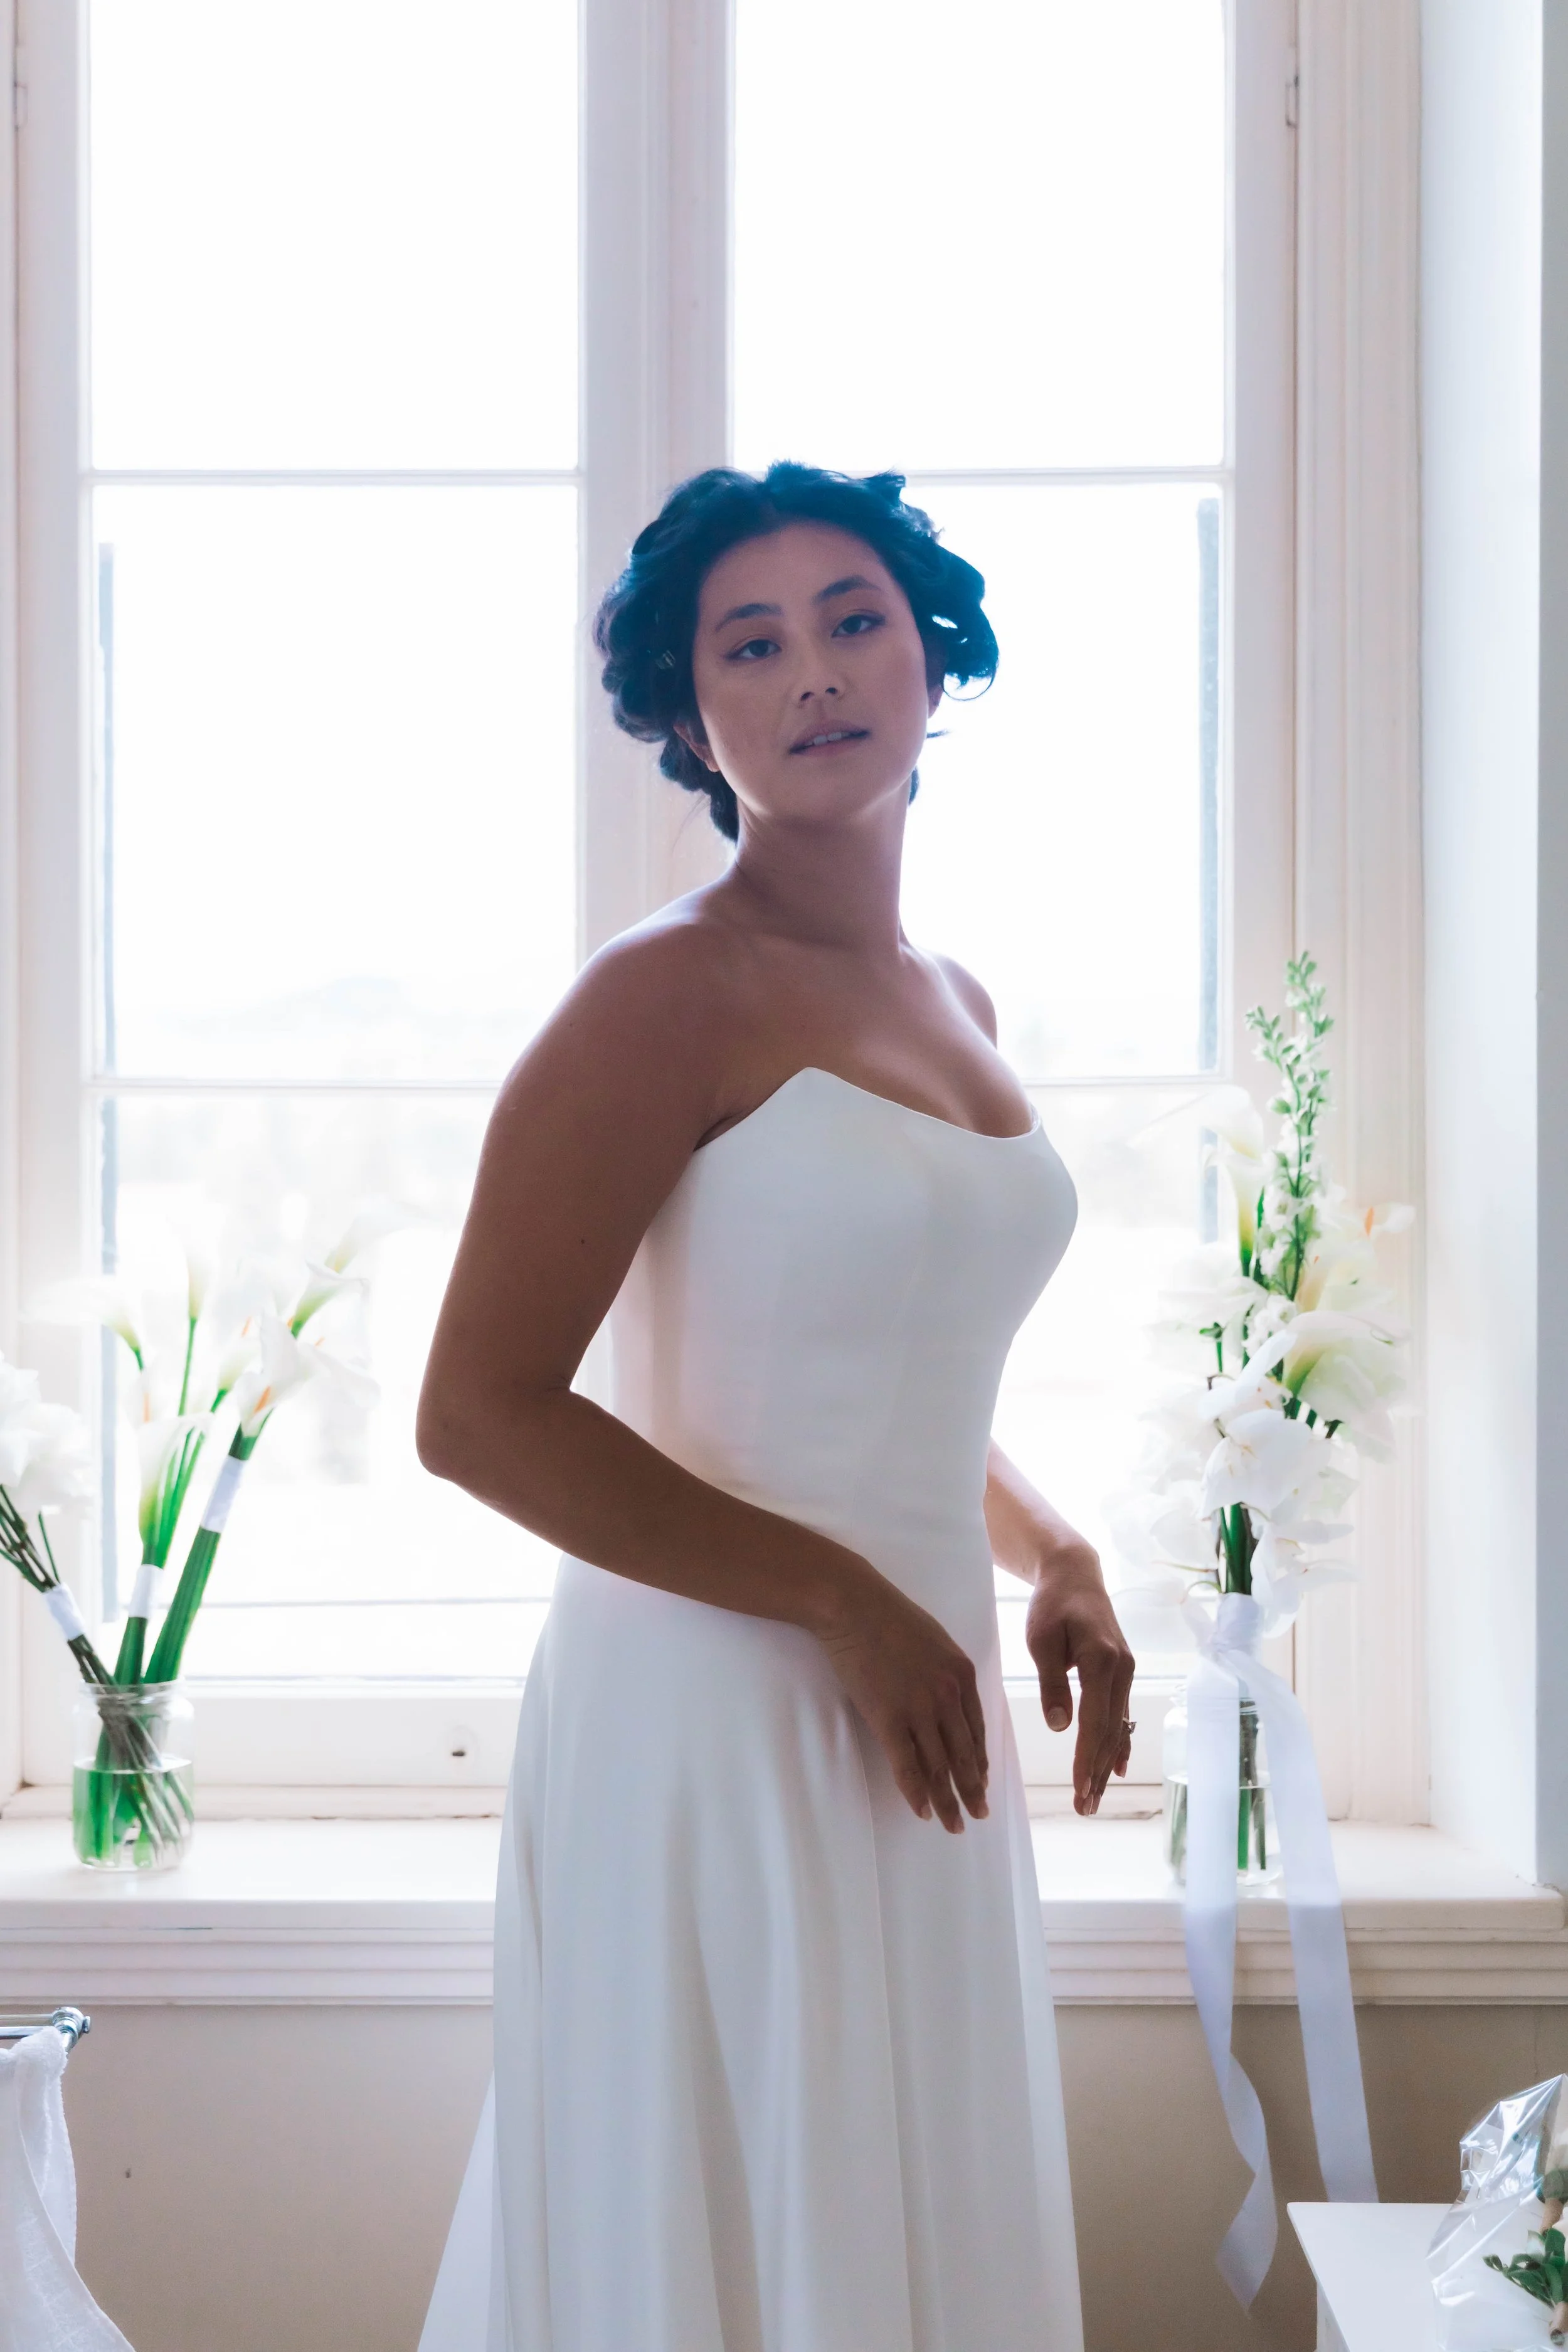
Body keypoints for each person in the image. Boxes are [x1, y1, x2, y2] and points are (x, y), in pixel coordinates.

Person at [415, 462, 1135, 2352]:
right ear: (685, 713)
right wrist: (839, 1599)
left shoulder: (954, 995)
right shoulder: (656, 999)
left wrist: (1054, 1549)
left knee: (902, 2189)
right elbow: (479, 1413)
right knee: (743, 2211)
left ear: (932, 662)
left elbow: (873, 1359)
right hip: (713, 1707)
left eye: (853, 620)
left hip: (916, 1685)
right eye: (749, 643)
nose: (813, 670)